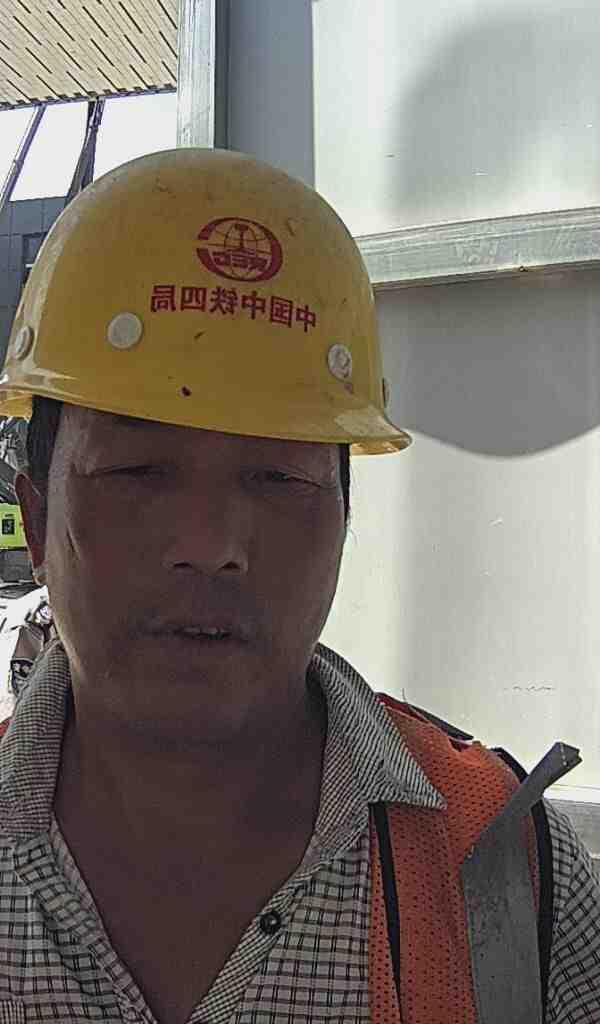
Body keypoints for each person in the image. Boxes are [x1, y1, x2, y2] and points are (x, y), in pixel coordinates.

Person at [0, 148, 597, 1024]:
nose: (210, 546)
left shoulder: (510, 869)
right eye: (138, 472)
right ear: (37, 517)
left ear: (343, 522)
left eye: (278, 478)